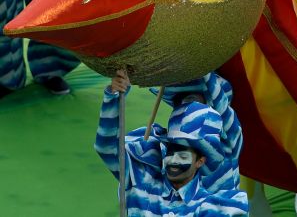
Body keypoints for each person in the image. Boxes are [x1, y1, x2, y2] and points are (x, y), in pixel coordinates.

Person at [95, 70, 249, 216]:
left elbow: (227, 119)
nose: (184, 105)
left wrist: (204, 65)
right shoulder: (145, 168)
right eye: (179, 99)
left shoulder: (228, 145)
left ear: (202, 161)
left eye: (192, 99)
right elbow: (108, 149)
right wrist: (115, 96)